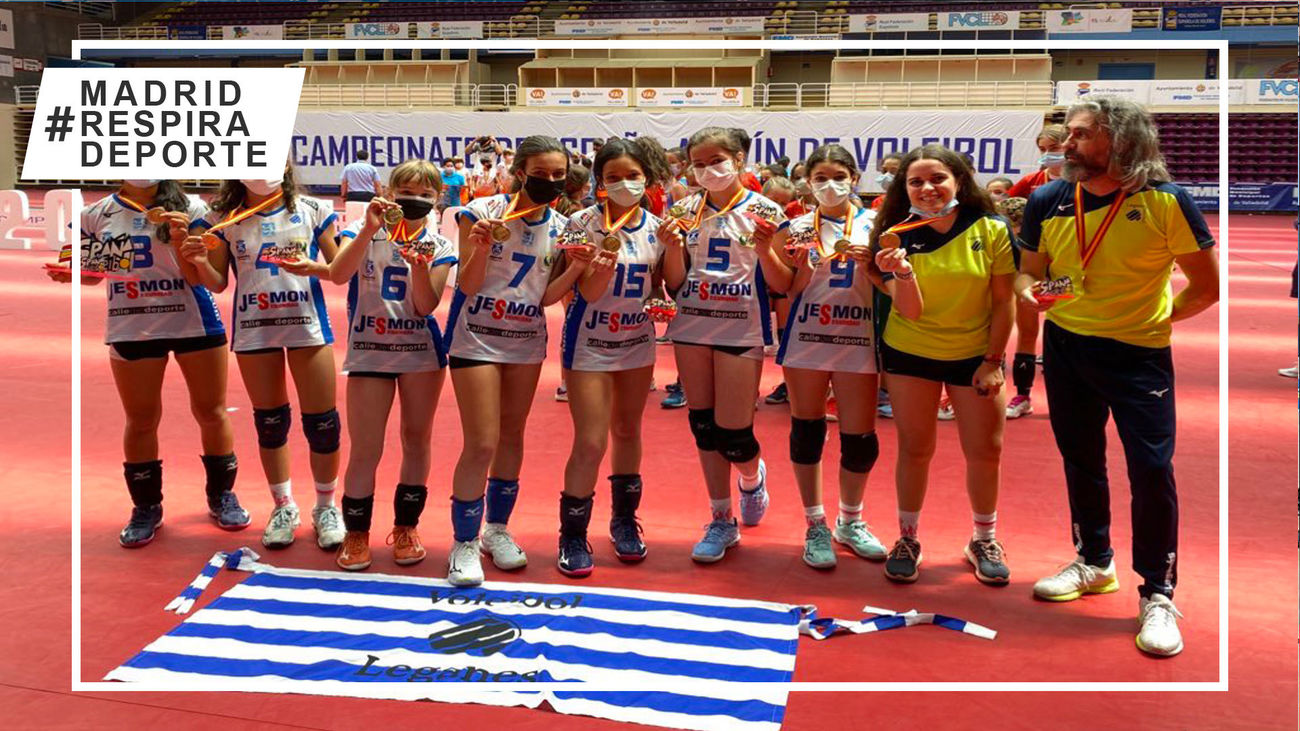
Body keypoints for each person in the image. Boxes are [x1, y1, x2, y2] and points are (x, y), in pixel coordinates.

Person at [1018, 96, 1219, 657]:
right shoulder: (1048, 198)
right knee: (1081, 459)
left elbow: (1206, 287)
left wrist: (1156, 317)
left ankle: (1158, 591)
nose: (1068, 144)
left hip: (1139, 356)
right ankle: (1093, 561)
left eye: (1082, 134)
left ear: (1123, 141)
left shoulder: (1165, 202)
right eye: (1069, 134)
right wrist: (1034, 295)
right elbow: (1029, 277)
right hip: (1066, 349)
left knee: (1151, 470)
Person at [55, 179, 247, 547]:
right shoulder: (94, 215)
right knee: (141, 418)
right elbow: (87, 269)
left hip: (193, 320)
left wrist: (182, 241)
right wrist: (71, 273)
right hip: (132, 324)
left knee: (212, 410)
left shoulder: (192, 207)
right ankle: (146, 506)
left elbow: (202, 273)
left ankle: (221, 496)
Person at [446, 135, 593, 586]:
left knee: (512, 435)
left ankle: (497, 530)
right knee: (482, 442)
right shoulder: (483, 212)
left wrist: (576, 269)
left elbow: (545, 296)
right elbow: (467, 285)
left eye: (557, 175)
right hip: (474, 337)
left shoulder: (566, 226)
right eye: (541, 172)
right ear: (519, 171)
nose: (549, 181)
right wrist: (481, 246)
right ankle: (463, 543)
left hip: (526, 340)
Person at [868, 143, 1016, 586]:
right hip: (910, 352)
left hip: (975, 357)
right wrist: (899, 274)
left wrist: (993, 360)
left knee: (985, 450)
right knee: (915, 448)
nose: (928, 188)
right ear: (904, 187)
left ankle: (983, 539)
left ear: (959, 181)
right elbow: (908, 310)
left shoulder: (991, 229)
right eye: (916, 181)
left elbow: (1004, 299)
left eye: (938, 179)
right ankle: (908, 538)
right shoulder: (894, 234)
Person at [181, 165, 344, 550]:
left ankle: (326, 506)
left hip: (308, 327)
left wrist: (314, 267)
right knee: (271, 424)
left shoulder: (313, 209)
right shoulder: (222, 218)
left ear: (285, 164)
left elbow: (339, 271)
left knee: (323, 423)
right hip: (255, 329)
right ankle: (283, 505)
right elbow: (218, 283)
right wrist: (199, 259)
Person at [657, 126, 790, 563]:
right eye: (699, 163)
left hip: (741, 328)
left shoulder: (767, 210)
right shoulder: (683, 209)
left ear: (739, 160)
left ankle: (752, 478)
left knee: (734, 435)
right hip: (692, 325)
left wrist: (768, 249)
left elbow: (782, 284)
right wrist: (671, 249)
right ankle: (720, 519)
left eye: (717, 160)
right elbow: (674, 282)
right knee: (703, 427)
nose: (708, 170)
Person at [328, 160, 458, 571]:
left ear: (438, 199)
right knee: (366, 447)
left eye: (425, 193)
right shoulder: (361, 229)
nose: (414, 199)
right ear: (389, 190)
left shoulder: (441, 245)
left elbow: (425, 306)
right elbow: (337, 274)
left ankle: (406, 527)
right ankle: (356, 532)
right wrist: (368, 228)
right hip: (369, 349)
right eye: (407, 190)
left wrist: (420, 268)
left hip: (420, 352)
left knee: (416, 440)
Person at [555, 137, 671, 577]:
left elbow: (662, 287)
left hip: (636, 342)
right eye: (614, 177)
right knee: (590, 440)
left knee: (627, 430)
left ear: (648, 178)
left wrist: (673, 256)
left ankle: (624, 521)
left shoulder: (660, 227)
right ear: (599, 182)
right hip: (588, 341)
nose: (625, 183)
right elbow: (579, 292)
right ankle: (572, 532)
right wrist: (600, 260)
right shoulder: (577, 224)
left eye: (633, 175)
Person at [769, 144, 888, 567]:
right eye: (819, 178)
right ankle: (814, 522)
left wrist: (873, 264)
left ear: (855, 178)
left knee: (860, 438)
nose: (829, 185)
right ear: (808, 182)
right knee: (807, 430)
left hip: (858, 338)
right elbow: (786, 287)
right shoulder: (796, 226)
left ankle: (850, 520)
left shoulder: (878, 224)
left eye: (838, 175)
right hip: (807, 339)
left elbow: (890, 284)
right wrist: (775, 252)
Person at [761, 176, 797, 402]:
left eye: (783, 203)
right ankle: (746, 389)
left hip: (780, 286)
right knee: (751, 341)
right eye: (772, 200)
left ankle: (788, 384)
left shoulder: (790, 226)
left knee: (786, 338)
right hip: (753, 287)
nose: (777, 207)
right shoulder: (743, 220)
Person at [1007, 123, 1067, 199]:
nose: (1047, 153)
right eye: (1042, 149)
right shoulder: (1030, 180)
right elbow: (1004, 204)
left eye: (1054, 148)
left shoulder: (1081, 179)